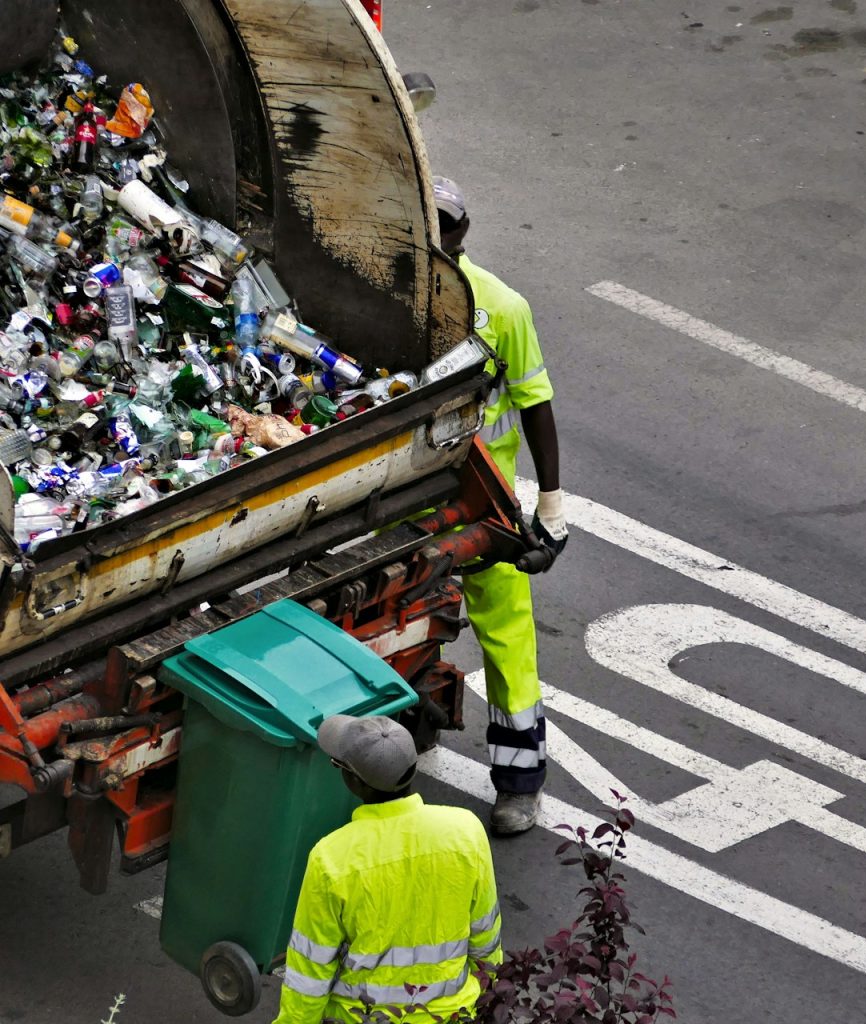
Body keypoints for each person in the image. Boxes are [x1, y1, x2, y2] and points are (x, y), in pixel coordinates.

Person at [432, 175, 568, 836]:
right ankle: (408, 723)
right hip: (407, 495)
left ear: (463, 231)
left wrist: (552, 505)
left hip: (483, 500)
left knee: (507, 638)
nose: (436, 235)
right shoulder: (385, 293)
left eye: (445, 224)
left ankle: (520, 784)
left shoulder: (503, 308)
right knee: (402, 614)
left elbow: (536, 404)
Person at [273, 714, 503, 1024]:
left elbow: (311, 970)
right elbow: (486, 937)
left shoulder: (331, 859)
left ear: (354, 781)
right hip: (455, 1014)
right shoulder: (466, 832)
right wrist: (489, 997)